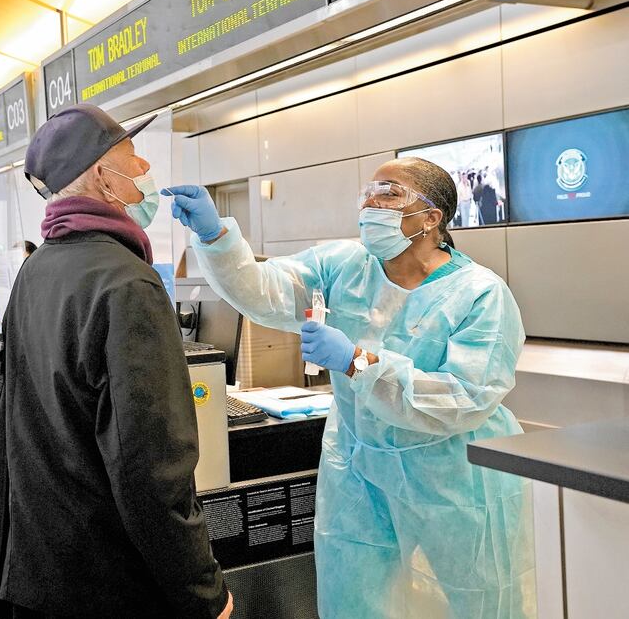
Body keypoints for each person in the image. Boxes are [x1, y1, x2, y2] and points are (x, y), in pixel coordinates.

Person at [164, 157, 535, 619]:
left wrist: (358, 363)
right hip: (360, 467)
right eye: (368, 191)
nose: (371, 202)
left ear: (431, 218)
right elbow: (266, 290)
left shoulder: (480, 293)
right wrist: (216, 236)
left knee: (479, 599)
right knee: (354, 598)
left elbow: (466, 397)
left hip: (455, 477)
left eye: (389, 192)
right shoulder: (344, 265)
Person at [0, 104, 232, 618]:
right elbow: (148, 464)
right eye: (133, 156)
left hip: (43, 564)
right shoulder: (126, 282)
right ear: (104, 177)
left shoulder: (35, 270)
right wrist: (204, 592)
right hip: (112, 580)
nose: (145, 169)